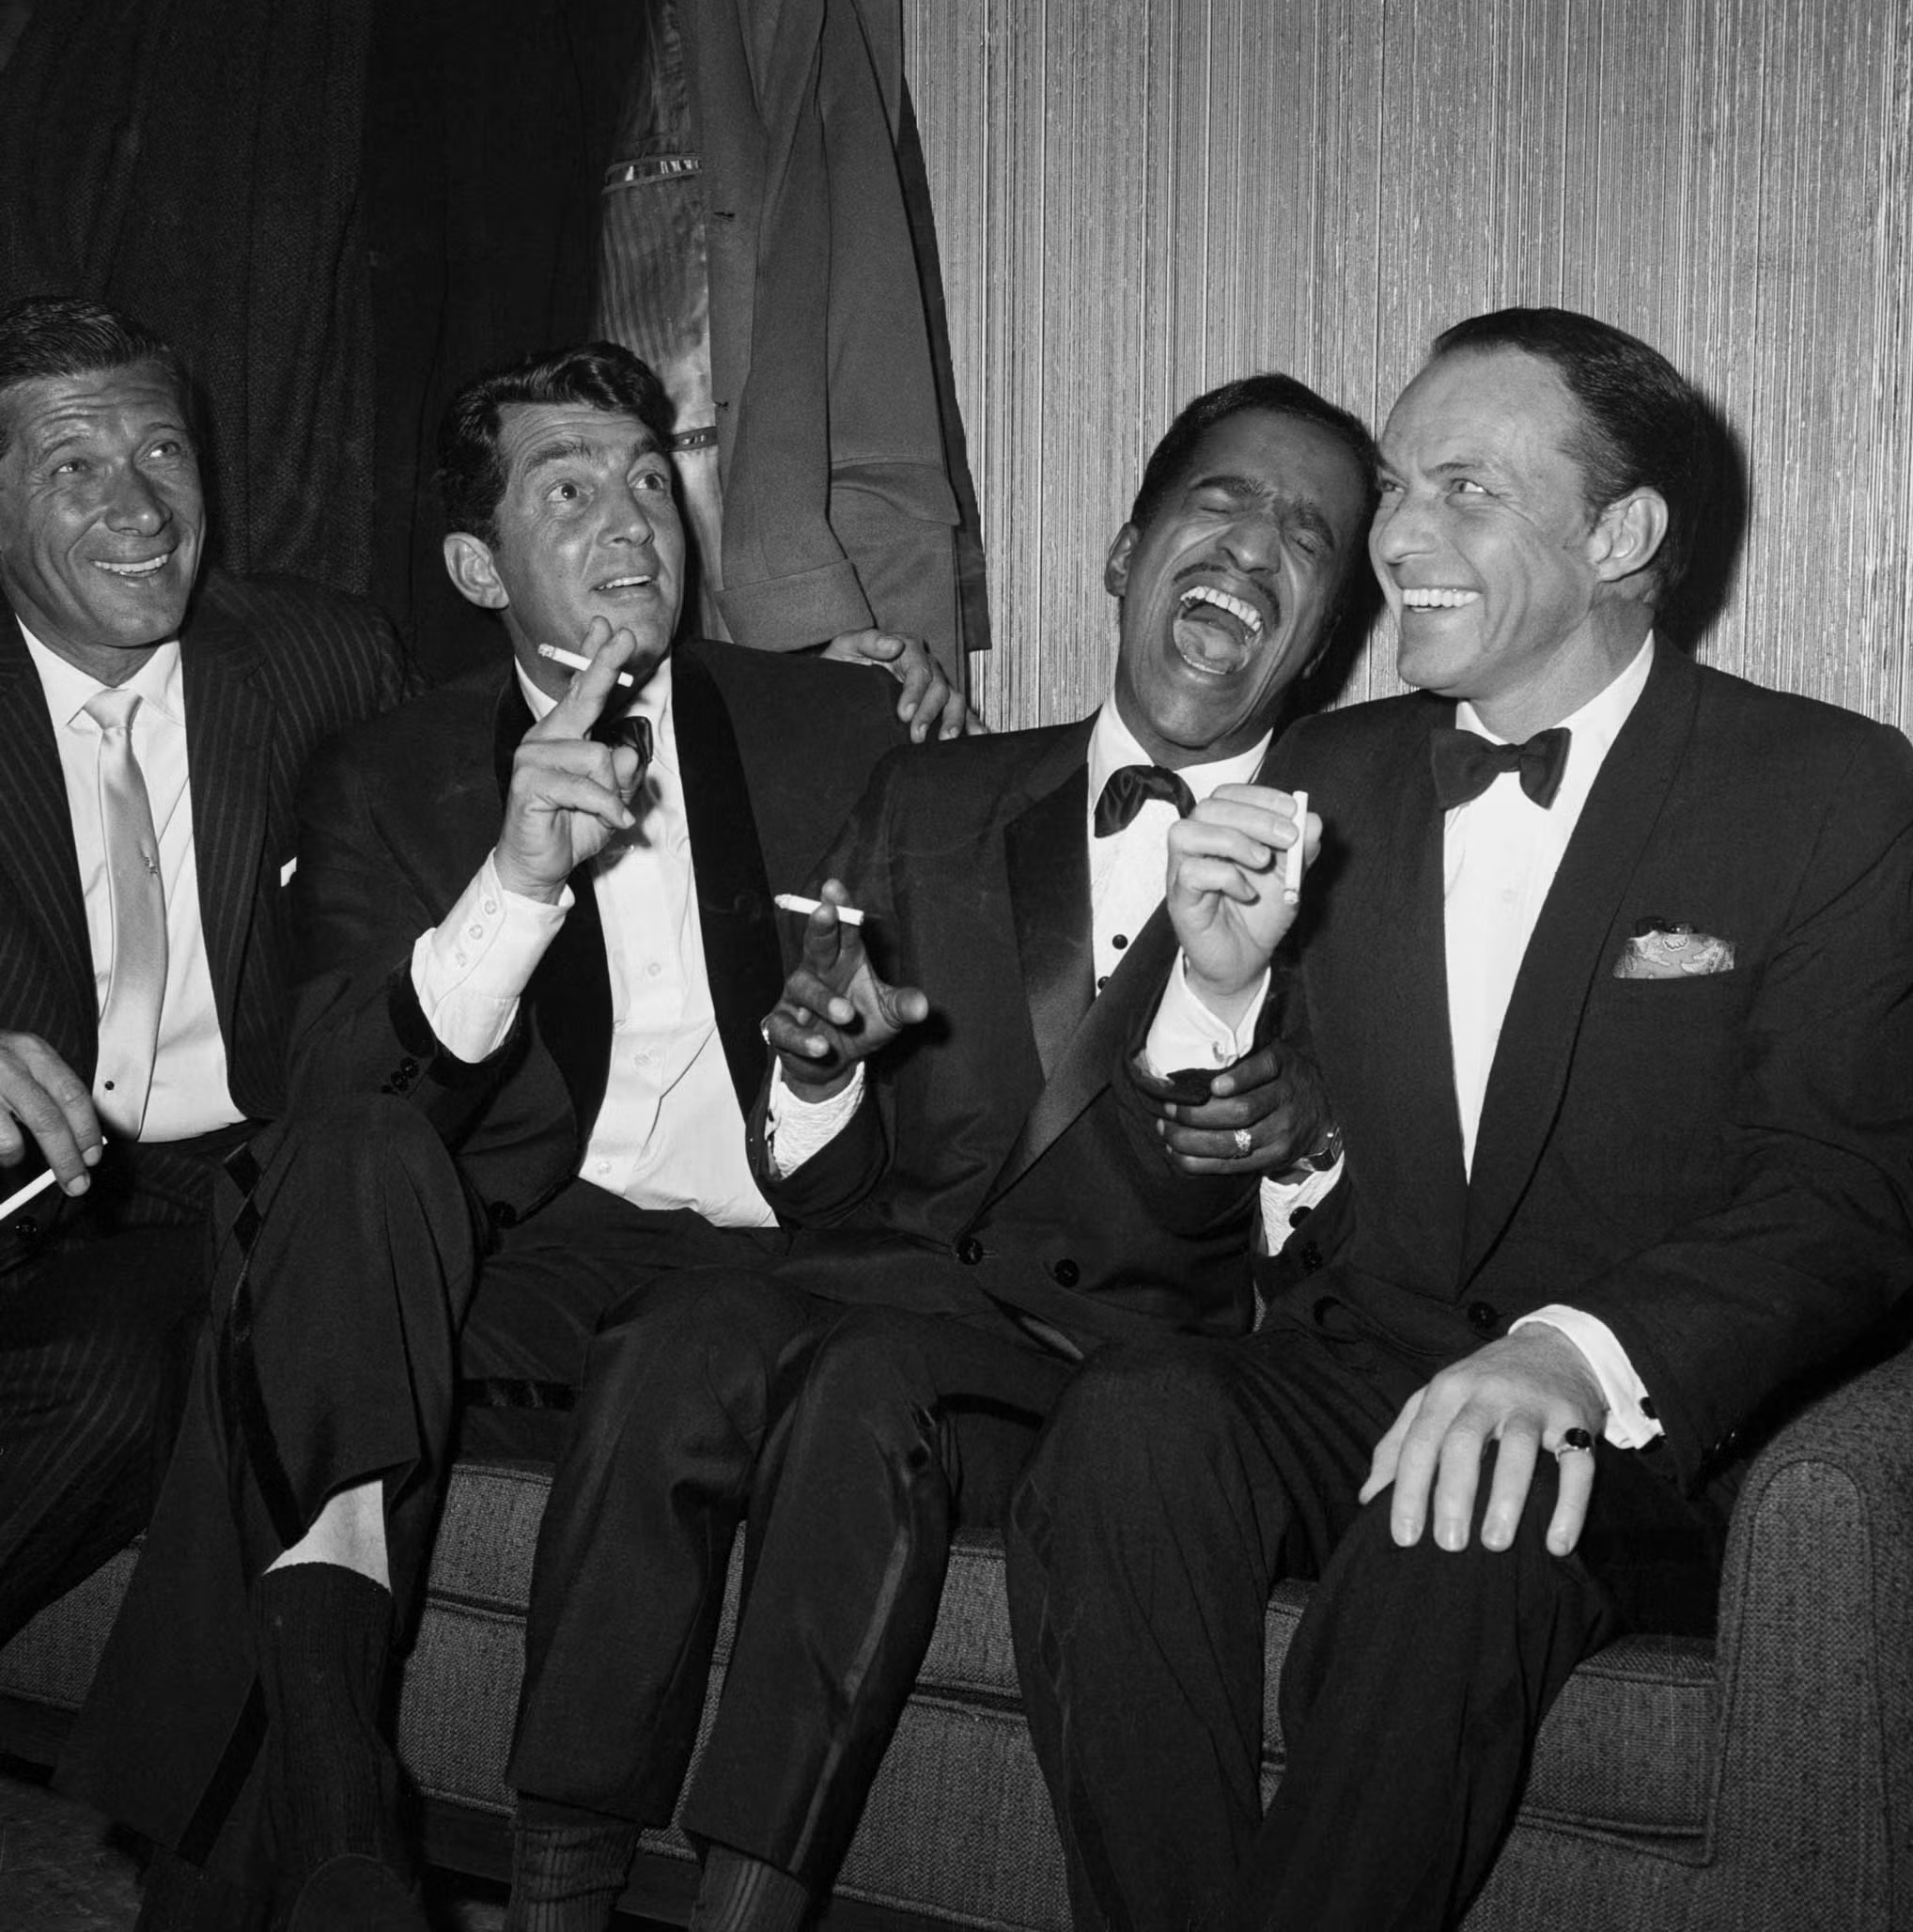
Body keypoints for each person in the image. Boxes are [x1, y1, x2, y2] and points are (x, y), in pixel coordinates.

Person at [1003, 307, 1913, 1932]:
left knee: (1464, 1522)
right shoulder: (1327, 774)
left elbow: (1842, 1201)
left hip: (1636, 1437)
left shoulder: (1833, 795)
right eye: (1399, 487)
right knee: (1135, 1424)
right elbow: (1229, 1189)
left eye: (1465, 491)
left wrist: (1570, 1357)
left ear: (1620, 534)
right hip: (1363, 1367)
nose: (1398, 537)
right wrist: (1215, 998)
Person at [59, 338, 958, 1932]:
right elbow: (324, 1073)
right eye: (568, 490)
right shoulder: (388, 768)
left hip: (779, 1250)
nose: (631, 523)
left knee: (257, 1343)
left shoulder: (840, 724)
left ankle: (264, 1858)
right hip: (528, 1251)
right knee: (329, 1168)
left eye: (645, 481)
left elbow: (915, 1087)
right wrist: (515, 886)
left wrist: (828, 1066)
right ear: (479, 565)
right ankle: (338, 1785)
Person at [499, 372, 1378, 1932]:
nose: (1251, 551)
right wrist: (819, 1073)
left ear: (1324, 633)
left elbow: (1372, 1249)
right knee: (676, 1327)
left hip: (1108, 1371)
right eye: (1219, 504)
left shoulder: (1366, 861)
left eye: (1305, 537)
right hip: (877, 1280)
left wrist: (1294, 1139)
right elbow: (822, 1181)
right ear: (1124, 555)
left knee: (862, 1382)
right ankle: (557, 1883)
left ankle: (740, 1912)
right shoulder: (932, 791)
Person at [0, 293, 406, 1645]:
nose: (142, 509)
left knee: (142, 1378)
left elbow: (511, 733)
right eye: (75, 468)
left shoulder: (317, 657)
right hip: (10, 1194)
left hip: (226, 1189)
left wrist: (808, 693)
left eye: (163, 454)